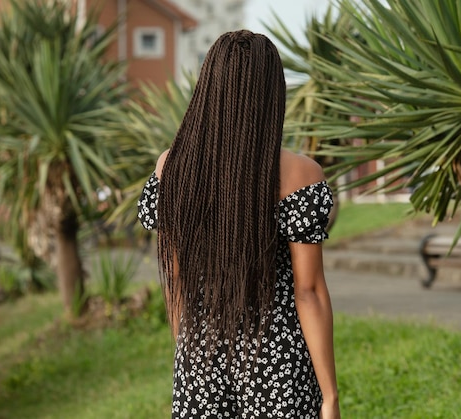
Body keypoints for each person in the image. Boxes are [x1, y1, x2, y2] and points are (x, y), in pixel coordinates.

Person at [137, 30, 340, 418]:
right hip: (278, 362)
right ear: (270, 93)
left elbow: (175, 280)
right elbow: (309, 291)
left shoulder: (172, 168)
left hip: (201, 357)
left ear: (209, 87)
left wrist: (189, 351)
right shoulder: (300, 174)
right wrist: (329, 396)